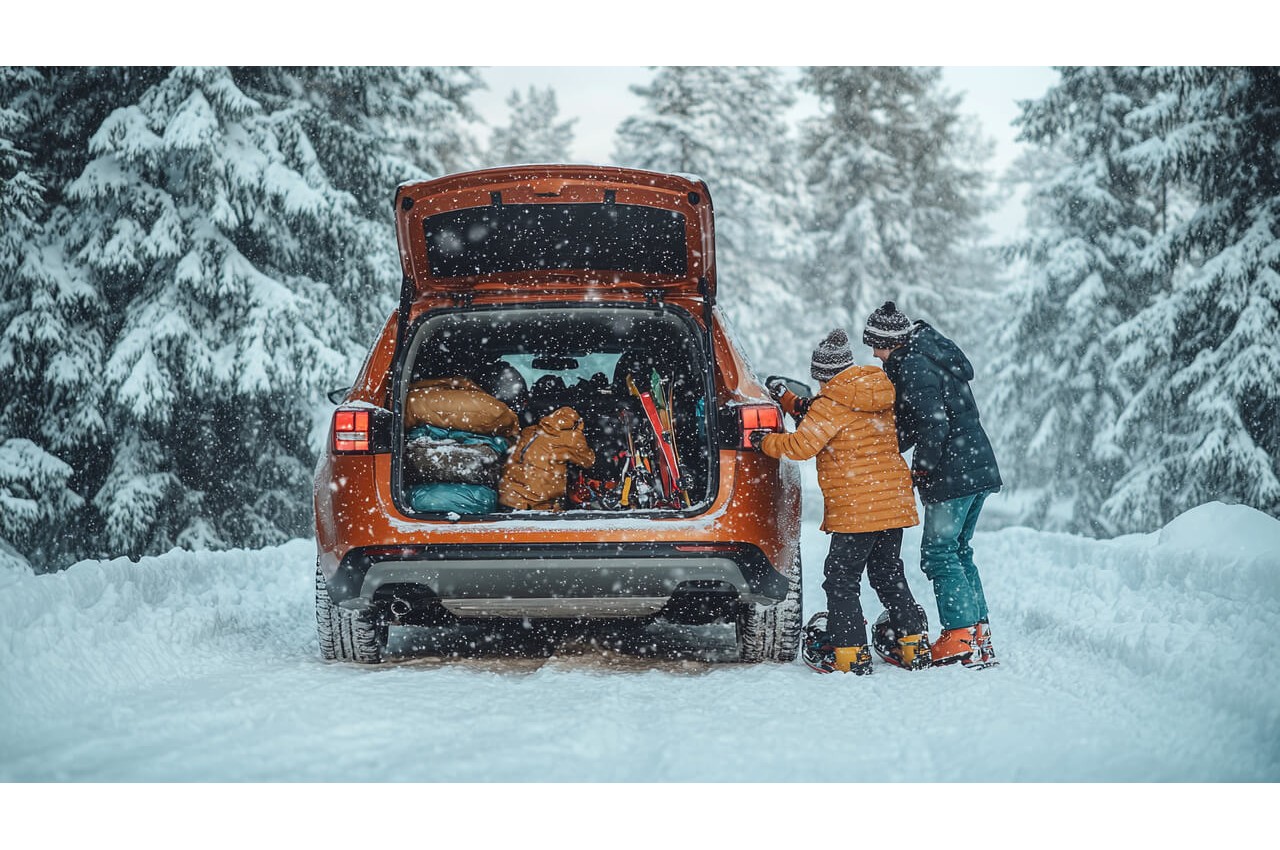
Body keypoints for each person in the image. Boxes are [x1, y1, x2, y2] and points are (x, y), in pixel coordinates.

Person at [752, 328, 928, 675]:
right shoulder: (876, 391)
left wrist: (765, 442)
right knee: (888, 573)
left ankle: (849, 654)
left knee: (840, 578)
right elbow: (822, 415)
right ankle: (913, 645)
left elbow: (801, 445)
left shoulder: (831, 403)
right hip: (892, 502)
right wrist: (789, 400)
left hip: (858, 508)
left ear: (823, 376)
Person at [863, 301, 1003, 667]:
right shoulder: (931, 356)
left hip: (953, 473)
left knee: (939, 554)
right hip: (976, 466)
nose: (876, 355)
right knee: (959, 550)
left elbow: (934, 424)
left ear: (888, 341)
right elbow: (921, 420)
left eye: (875, 346)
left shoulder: (912, 365)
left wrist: (921, 469)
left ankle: (958, 636)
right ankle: (977, 633)